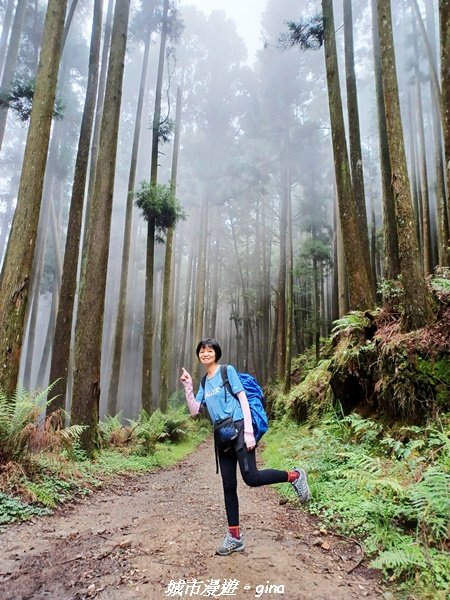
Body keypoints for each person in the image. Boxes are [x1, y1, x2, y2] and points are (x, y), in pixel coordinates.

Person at [180, 338, 310, 556]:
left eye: (209, 350)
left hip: (240, 427)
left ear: (216, 353)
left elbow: (242, 399)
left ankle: (295, 476)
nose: (205, 353)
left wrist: (249, 432)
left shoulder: (227, 371)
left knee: (251, 477)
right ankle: (235, 537)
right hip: (222, 436)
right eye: (202, 351)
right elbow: (195, 410)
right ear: (199, 356)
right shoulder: (204, 382)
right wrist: (188, 387)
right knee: (228, 485)